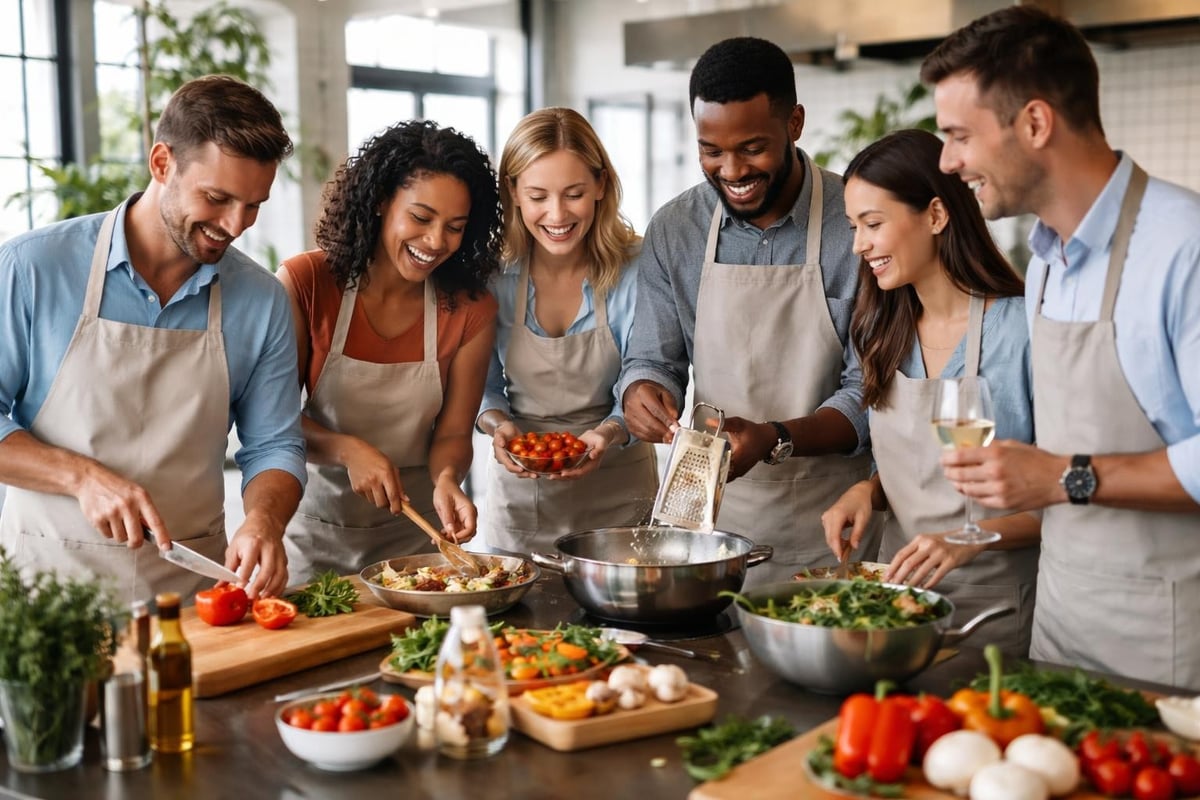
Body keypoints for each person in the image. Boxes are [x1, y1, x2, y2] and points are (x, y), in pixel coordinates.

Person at [922, 6, 1200, 687]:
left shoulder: (1183, 246)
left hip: (1169, 644)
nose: (948, 162)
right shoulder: (1044, 260)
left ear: (1035, 124)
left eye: (959, 136)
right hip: (1060, 625)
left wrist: (1064, 476)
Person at [0, 75, 305, 600]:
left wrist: (264, 520)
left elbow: (275, 444)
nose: (235, 225)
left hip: (192, 597)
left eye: (253, 205)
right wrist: (79, 476)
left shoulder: (261, 300)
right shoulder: (32, 268)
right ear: (162, 163)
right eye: (217, 198)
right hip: (49, 598)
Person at [617, 36, 874, 584]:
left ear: (794, 123)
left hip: (832, 522)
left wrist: (773, 436)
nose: (731, 170)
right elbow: (653, 358)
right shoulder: (676, 228)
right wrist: (641, 389)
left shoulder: (857, 222)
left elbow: (868, 391)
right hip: (709, 525)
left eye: (752, 148)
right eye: (711, 150)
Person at [819, 129, 1040, 657]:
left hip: (992, 608)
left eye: (873, 224)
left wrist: (963, 542)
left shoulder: (1022, 330)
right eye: (853, 227)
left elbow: (1063, 498)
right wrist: (868, 491)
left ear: (936, 215)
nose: (859, 245)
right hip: (898, 603)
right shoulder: (879, 330)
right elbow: (916, 467)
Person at [278, 120, 501, 582]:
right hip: (317, 536)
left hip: (417, 543)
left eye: (455, 227)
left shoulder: (469, 308)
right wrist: (347, 451)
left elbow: (453, 433)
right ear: (381, 201)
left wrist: (447, 479)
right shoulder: (307, 284)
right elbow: (272, 420)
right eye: (420, 218)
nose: (436, 241)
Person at [475, 108, 659, 554]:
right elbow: (483, 386)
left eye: (574, 194)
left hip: (621, 496)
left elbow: (649, 373)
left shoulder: (639, 269)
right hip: (521, 502)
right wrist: (498, 425)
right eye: (538, 196)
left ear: (601, 185)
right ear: (513, 192)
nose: (557, 214)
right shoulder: (492, 274)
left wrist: (610, 432)